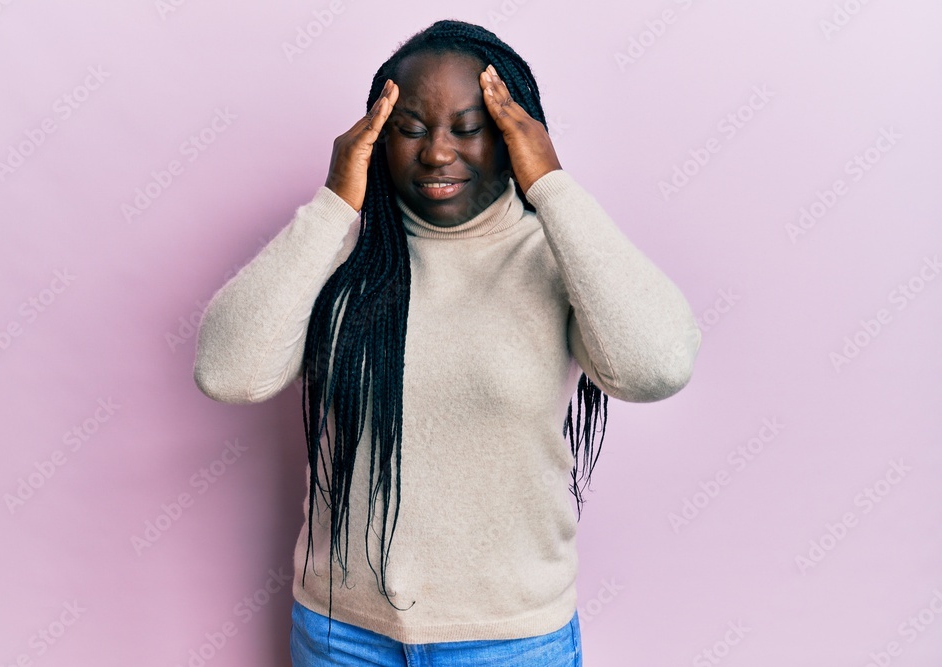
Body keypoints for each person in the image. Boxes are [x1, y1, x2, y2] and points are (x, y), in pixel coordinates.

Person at [193, 18, 701, 667]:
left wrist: (551, 184)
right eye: (408, 128)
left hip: (511, 640)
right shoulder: (335, 254)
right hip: (340, 635)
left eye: (468, 128)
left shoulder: (556, 259)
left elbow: (656, 365)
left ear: (514, 135)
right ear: (375, 138)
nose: (436, 152)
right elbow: (227, 372)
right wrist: (332, 206)